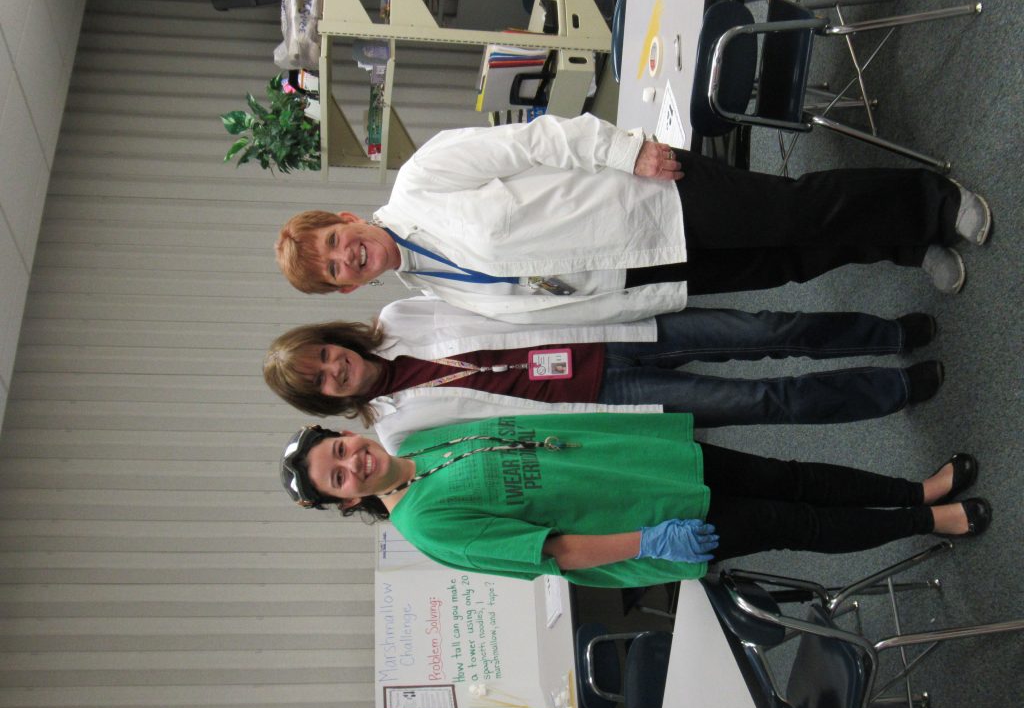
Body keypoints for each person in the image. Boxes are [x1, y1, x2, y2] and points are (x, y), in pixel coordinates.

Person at [274, 114, 991, 325]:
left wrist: (626, 150)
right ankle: (905, 243)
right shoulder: (432, 291)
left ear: (344, 218)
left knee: (796, 211)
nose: (347, 256)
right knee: (788, 262)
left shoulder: (423, 180)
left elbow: (534, 141)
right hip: (641, 275)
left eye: (335, 242)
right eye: (335, 270)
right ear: (347, 288)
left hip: (644, 197)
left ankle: (933, 201)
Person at [278, 413, 990, 589]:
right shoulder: (427, 526)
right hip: (654, 521)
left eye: (340, 449)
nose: (352, 462)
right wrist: (652, 543)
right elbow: (552, 551)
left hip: (650, 465)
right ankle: (927, 520)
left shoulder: (419, 442)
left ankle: (916, 488)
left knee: (792, 476)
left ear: (346, 432)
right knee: (795, 523)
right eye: (338, 477)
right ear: (346, 502)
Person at [264, 297, 943, 452]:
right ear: (323, 401)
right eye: (320, 381)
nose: (335, 368)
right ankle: (897, 389)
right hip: (605, 397)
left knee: (765, 331)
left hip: (602, 330)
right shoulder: (395, 434)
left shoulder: (398, 317)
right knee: (763, 401)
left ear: (332, 339)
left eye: (323, 354)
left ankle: (887, 335)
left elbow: (495, 301)